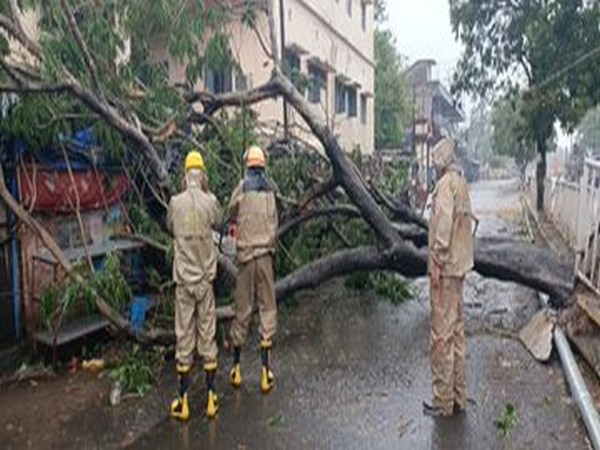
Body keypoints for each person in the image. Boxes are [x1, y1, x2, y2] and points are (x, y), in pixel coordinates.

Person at [168, 150, 221, 421]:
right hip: (204, 282)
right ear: (202, 174)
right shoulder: (210, 201)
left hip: (184, 283)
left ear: (185, 175)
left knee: (184, 338)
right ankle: (211, 400)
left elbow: (170, 227)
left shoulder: (175, 203)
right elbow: (218, 221)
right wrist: (206, 192)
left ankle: (183, 402)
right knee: (207, 337)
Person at [423, 138, 474, 418]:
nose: (432, 164)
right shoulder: (461, 183)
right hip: (460, 267)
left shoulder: (444, 186)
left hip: (446, 268)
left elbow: (442, 228)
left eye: (434, 159)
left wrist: (437, 263)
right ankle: (459, 397)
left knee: (441, 336)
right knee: (456, 333)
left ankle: (442, 401)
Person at [228, 145, 278, 393]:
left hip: (246, 258)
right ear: (263, 165)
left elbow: (230, 212)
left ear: (248, 164)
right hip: (265, 257)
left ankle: (236, 369)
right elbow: (275, 222)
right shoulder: (270, 190)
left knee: (243, 310)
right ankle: (266, 372)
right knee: (267, 309)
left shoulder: (241, 187)